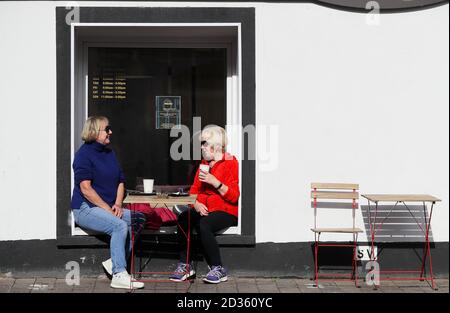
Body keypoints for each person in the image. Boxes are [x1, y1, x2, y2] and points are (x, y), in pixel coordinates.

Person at [71, 116, 146, 289]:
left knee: (138, 219)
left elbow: (121, 180)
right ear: (94, 132)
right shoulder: (83, 155)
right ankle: (119, 273)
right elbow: (86, 189)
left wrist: (118, 205)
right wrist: (107, 209)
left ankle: (113, 262)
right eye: (107, 129)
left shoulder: (109, 152)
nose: (110, 132)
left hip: (109, 207)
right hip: (85, 208)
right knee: (119, 226)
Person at [170, 125, 239, 284]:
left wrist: (215, 182)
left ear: (215, 146)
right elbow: (194, 190)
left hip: (225, 210)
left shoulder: (230, 163)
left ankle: (218, 268)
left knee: (204, 224)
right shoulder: (203, 164)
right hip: (203, 208)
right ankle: (185, 265)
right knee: (183, 219)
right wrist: (196, 204)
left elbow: (234, 197)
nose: (202, 147)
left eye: (205, 143)